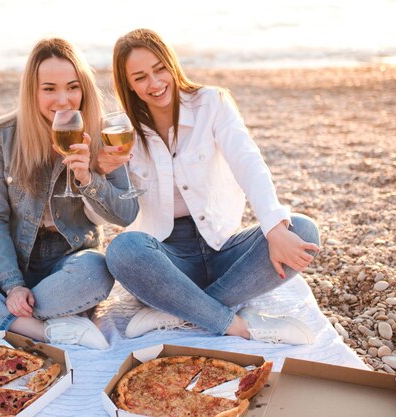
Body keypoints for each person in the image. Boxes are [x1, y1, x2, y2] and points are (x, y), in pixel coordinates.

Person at [98, 28, 321, 344]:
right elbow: (122, 210)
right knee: (123, 249)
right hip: (168, 260)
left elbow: (248, 161)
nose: (155, 83)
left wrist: (274, 229)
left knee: (303, 232)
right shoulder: (121, 130)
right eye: (141, 77)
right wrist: (102, 174)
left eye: (160, 69)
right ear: (130, 86)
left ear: (172, 65)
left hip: (222, 248)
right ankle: (228, 321)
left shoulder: (212, 102)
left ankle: (179, 311)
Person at [0, 38, 138, 350]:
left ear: (84, 89)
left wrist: (88, 177)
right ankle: (39, 329)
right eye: (49, 88)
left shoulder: (102, 133)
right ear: (32, 91)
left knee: (97, 272)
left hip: (69, 261)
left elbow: (127, 215)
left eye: (72, 87)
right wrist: (12, 284)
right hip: (15, 258)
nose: (63, 99)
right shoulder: (1, 136)